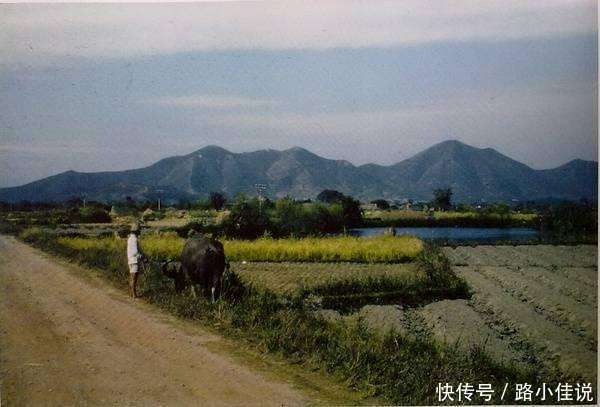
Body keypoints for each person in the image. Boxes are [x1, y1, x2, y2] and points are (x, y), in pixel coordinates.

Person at [127, 222, 143, 298]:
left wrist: (143, 255)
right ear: (136, 230)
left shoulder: (131, 238)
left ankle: (131, 292)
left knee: (132, 277)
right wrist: (142, 257)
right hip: (134, 260)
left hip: (131, 260)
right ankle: (134, 294)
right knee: (134, 277)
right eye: (139, 230)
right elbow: (135, 252)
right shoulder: (134, 239)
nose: (140, 231)